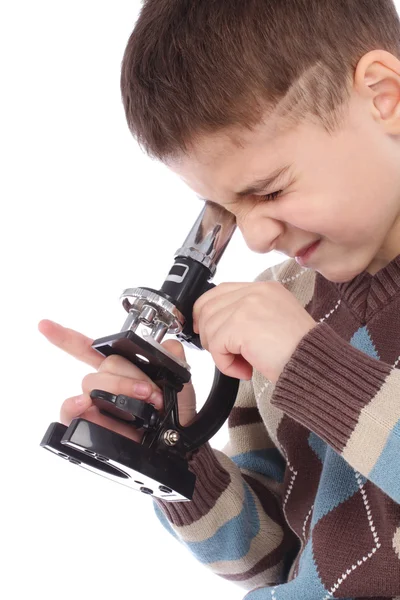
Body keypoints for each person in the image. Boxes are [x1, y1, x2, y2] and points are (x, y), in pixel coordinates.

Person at [39, 1, 400, 598]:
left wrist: (308, 364)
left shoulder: (288, 339)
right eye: (229, 210)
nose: (255, 237)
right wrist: (175, 456)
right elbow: (275, 560)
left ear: (383, 96)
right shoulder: (284, 303)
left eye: (270, 189)